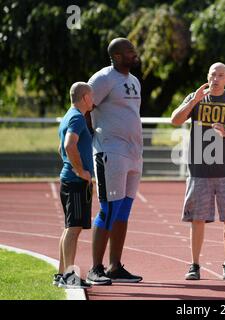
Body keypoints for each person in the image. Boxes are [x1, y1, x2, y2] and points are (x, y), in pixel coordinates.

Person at [171, 62, 225, 281]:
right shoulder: (196, 97)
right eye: (212, 74)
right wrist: (193, 102)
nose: (216, 78)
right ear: (207, 77)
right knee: (197, 219)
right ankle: (195, 264)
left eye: (221, 75)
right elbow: (174, 120)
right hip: (199, 171)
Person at [85, 38, 143, 285]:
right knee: (108, 209)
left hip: (133, 154)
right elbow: (83, 109)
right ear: (117, 56)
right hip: (110, 152)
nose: (134, 53)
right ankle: (95, 268)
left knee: (123, 211)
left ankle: (115, 266)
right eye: (130, 51)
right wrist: (96, 140)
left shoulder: (133, 80)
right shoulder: (102, 79)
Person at [55, 82, 94, 289]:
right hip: (75, 182)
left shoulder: (68, 116)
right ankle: (69, 276)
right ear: (85, 97)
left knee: (70, 228)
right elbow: (69, 145)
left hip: (69, 179)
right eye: (92, 96)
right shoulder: (78, 118)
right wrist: (80, 171)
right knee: (73, 229)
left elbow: (60, 148)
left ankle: (62, 274)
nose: (94, 99)